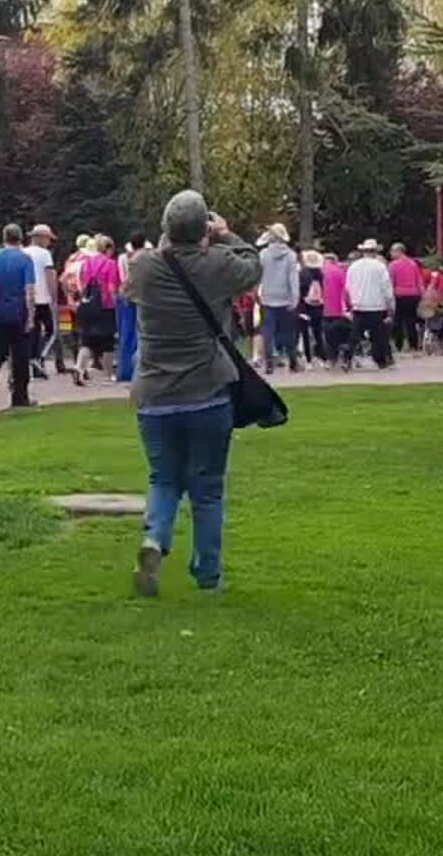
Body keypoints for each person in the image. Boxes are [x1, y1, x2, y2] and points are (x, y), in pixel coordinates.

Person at [124, 191, 262, 596]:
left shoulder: (143, 267)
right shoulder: (218, 264)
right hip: (207, 391)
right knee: (207, 488)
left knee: (163, 478)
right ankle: (207, 573)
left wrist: (178, 236)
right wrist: (226, 235)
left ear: (165, 229)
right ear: (204, 228)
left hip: (153, 393)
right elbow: (253, 267)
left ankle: (155, 538)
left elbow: (136, 285)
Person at [0, 224, 39, 408]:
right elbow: (29, 290)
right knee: (21, 357)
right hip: (19, 313)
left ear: (3, 237)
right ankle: (20, 396)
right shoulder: (25, 259)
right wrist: (31, 316)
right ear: (21, 238)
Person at [74, 234, 122, 385]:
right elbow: (112, 287)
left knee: (87, 340)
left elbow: (81, 285)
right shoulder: (110, 264)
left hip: (87, 305)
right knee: (107, 342)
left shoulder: (86, 263)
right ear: (107, 248)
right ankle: (109, 375)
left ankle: (79, 368)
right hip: (105, 306)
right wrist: (116, 305)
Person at [254, 223, 301, 375]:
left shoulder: (263, 255)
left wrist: (257, 293)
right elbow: (293, 279)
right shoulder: (291, 256)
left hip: (267, 297)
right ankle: (293, 361)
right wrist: (295, 298)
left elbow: (258, 277)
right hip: (285, 298)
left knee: (268, 331)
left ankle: (269, 363)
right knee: (288, 332)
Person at [347, 238, 396, 369]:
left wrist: (352, 302)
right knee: (379, 335)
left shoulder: (353, 267)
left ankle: (347, 357)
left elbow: (348, 287)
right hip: (376, 305)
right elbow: (387, 288)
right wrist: (391, 306)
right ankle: (381, 360)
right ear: (374, 252)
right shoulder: (380, 267)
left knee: (355, 335)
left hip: (359, 305)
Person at [25, 224, 63, 378]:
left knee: (32, 331)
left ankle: (33, 359)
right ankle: (40, 357)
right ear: (40, 238)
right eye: (48, 239)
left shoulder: (23, 252)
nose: (49, 242)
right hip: (43, 298)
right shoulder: (44, 254)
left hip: (28, 298)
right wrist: (53, 298)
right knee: (51, 331)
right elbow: (50, 276)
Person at [115, 235, 149, 383]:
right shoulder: (146, 258)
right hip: (141, 298)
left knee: (126, 335)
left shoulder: (123, 257)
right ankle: (137, 369)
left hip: (127, 297)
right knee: (139, 335)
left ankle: (125, 370)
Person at [389, 242, 425, 354]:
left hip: (399, 295)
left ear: (399, 251)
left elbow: (390, 282)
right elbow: (419, 280)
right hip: (413, 295)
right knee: (411, 321)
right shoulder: (413, 263)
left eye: (392, 251)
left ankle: (398, 345)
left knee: (398, 321)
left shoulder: (393, 265)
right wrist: (421, 295)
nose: (391, 253)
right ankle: (414, 345)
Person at [321, 251, 352, 369]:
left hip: (324, 309)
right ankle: (343, 358)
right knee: (342, 335)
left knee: (328, 337)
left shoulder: (320, 272)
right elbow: (345, 291)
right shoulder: (340, 272)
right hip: (339, 310)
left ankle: (330, 359)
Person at [297, 248, 326, 366]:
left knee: (305, 333)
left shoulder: (302, 274)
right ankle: (322, 357)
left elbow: (299, 290)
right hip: (319, 305)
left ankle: (308, 358)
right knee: (318, 332)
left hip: (304, 306)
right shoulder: (321, 274)